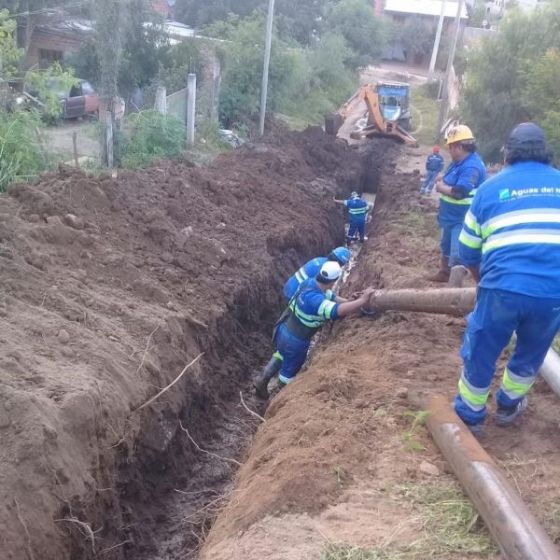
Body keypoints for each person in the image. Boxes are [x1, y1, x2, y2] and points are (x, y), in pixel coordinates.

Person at [454, 122, 560, 432]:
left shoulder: (489, 189)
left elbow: (468, 251)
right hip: (552, 293)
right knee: (532, 351)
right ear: (545, 153)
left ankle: (471, 416)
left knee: (482, 348)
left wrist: (481, 279)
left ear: (508, 153)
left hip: (502, 288)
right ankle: (508, 407)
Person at [255, 261, 374, 399]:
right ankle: (277, 397)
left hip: (283, 328)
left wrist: (349, 301)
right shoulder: (316, 301)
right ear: (333, 281)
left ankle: (262, 379)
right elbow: (337, 311)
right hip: (296, 340)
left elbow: (331, 297)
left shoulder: (310, 283)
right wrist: (361, 301)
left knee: (281, 353)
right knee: (289, 371)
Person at [429, 125, 487, 283]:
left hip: (462, 217)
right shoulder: (458, 162)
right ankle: (444, 272)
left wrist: (441, 187)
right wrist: (443, 179)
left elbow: (460, 192)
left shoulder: (471, 166)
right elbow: (452, 179)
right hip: (449, 215)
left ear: (460, 146)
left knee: (457, 252)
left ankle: (454, 289)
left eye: (451, 147)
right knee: (446, 245)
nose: (449, 150)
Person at [283, 246, 351, 300]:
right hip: (294, 295)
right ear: (340, 263)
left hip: (288, 286)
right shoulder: (326, 271)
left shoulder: (320, 259)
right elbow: (321, 291)